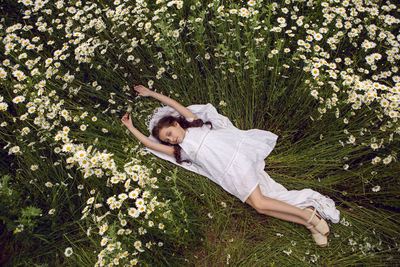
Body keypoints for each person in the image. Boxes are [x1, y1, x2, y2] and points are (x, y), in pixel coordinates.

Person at [121, 85, 340, 247]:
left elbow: (174, 104)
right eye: (167, 140)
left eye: (170, 133)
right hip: (228, 177)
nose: (171, 140)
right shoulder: (182, 151)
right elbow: (149, 143)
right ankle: (309, 221)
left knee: (262, 204)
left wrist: (150, 93)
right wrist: (130, 127)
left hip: (236, 161)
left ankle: (310, 217)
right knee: (259, 206)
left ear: (176, 123)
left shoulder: (196, 125)